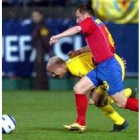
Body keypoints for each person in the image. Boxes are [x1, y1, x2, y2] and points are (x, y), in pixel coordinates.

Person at [49, 3, 138, 132]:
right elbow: (95, 46)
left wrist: (58, 36)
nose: (77, 20)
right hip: (101, 66)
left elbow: (76, 29)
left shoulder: (89, 22)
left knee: (121, 103)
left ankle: (121, 117)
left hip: (108, 67)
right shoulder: (97, 23)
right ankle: (80, 123)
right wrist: (79, 51)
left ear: (86, 15)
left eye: (78, 17)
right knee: (79, 88)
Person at [47, 52, 134, 132]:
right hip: (108, 67)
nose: (53, 75)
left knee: (107, 101)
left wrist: (115, 63)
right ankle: (120, 122)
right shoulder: (72, 64)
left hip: (111, 70)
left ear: (60, 67)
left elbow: (93, 77)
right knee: (99, 101)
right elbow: (93, 73)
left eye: (53, 72)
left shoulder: (74, 68)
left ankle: (129, 93)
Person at [31, 10, 50, 90]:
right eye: (33, 16)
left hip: (41, 48)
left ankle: (41, 86)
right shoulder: (36, 25)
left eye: (36, 16)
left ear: (41, 16)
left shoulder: (42, 26)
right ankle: (40, 85)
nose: (35, 18)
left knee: (40, 67)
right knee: (39, 67)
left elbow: (45, 38)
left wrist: (46, 48)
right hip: (38, 48)